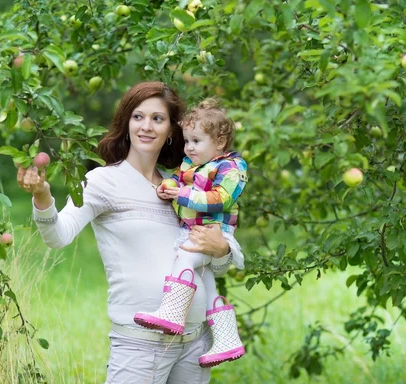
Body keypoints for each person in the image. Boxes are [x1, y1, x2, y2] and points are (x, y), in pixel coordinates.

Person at [17, 82, 242, 384]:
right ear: (126, 123)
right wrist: (43, 197)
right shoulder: (103, 182)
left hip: (194, 343)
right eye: (138, 117)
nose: (146, 126)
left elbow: (215, 264)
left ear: (171, 130)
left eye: (157, 119)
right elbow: (58, 236)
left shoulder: (182, 188)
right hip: (140, 343)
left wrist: (222, 249)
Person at [133, 98, 247, 368]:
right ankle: (227, 338)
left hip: (215, 232)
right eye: (186, 141)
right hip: (195, 231)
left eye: (196, 141)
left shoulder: (230, 167)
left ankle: (172, 312)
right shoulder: (190, 165)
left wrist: (182, 195)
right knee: (207, 282)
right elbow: (176, 179)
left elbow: (221, 199)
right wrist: (167, 187)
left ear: (219, 142)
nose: (189, 147)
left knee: (185, 258)